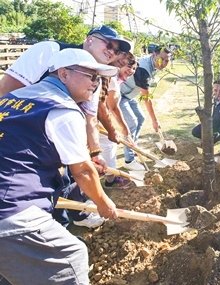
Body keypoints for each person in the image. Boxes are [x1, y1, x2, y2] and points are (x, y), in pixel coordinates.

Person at [0, 48, 119, 284]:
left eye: (99, 79)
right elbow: (82, 171)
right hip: (11, 212)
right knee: (72, 256)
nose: (96, 84)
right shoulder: (62, 108)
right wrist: (103, 203)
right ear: (63, 74)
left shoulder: (13, 99)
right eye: (91, 76)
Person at [0, 25, 131, 228]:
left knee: (63, 177)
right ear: (89, 39)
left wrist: (94, 154)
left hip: (48, 141)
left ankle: (62, 223)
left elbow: (90, 119)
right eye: (109, 44)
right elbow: (6, 93)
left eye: (117, 50)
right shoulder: (49, 51)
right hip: (18, 138)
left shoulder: (92, 78)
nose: (112, 52)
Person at [120, 45, 172, 170]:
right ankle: (129, 160)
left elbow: (144, 95)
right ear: (154, 55)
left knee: (141, 118)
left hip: (129, 95)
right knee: (132, 122)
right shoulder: (143, 69)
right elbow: (146, 98)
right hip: (119, 94)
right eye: (162, 59)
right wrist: (155, 120)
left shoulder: (152, 65)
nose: (164, 63)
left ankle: (133, 146)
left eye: (167, 61)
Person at [99, 52, 138, 188]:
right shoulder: (112, 80)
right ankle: (112, 180)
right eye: (129, 66)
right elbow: (113, 107)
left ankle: (110, 179)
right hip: (99, 119)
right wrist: (126, 132)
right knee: (109, 147)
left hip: (100, 118)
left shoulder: (112, 77)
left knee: (108, 148)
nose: (132, 71)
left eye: (134, 68)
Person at [192, 81, 220, 156]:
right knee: (195, 131)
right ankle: (212, 139)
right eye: (215, 90)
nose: (218, 92)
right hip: (212, 123)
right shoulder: (213, 99)